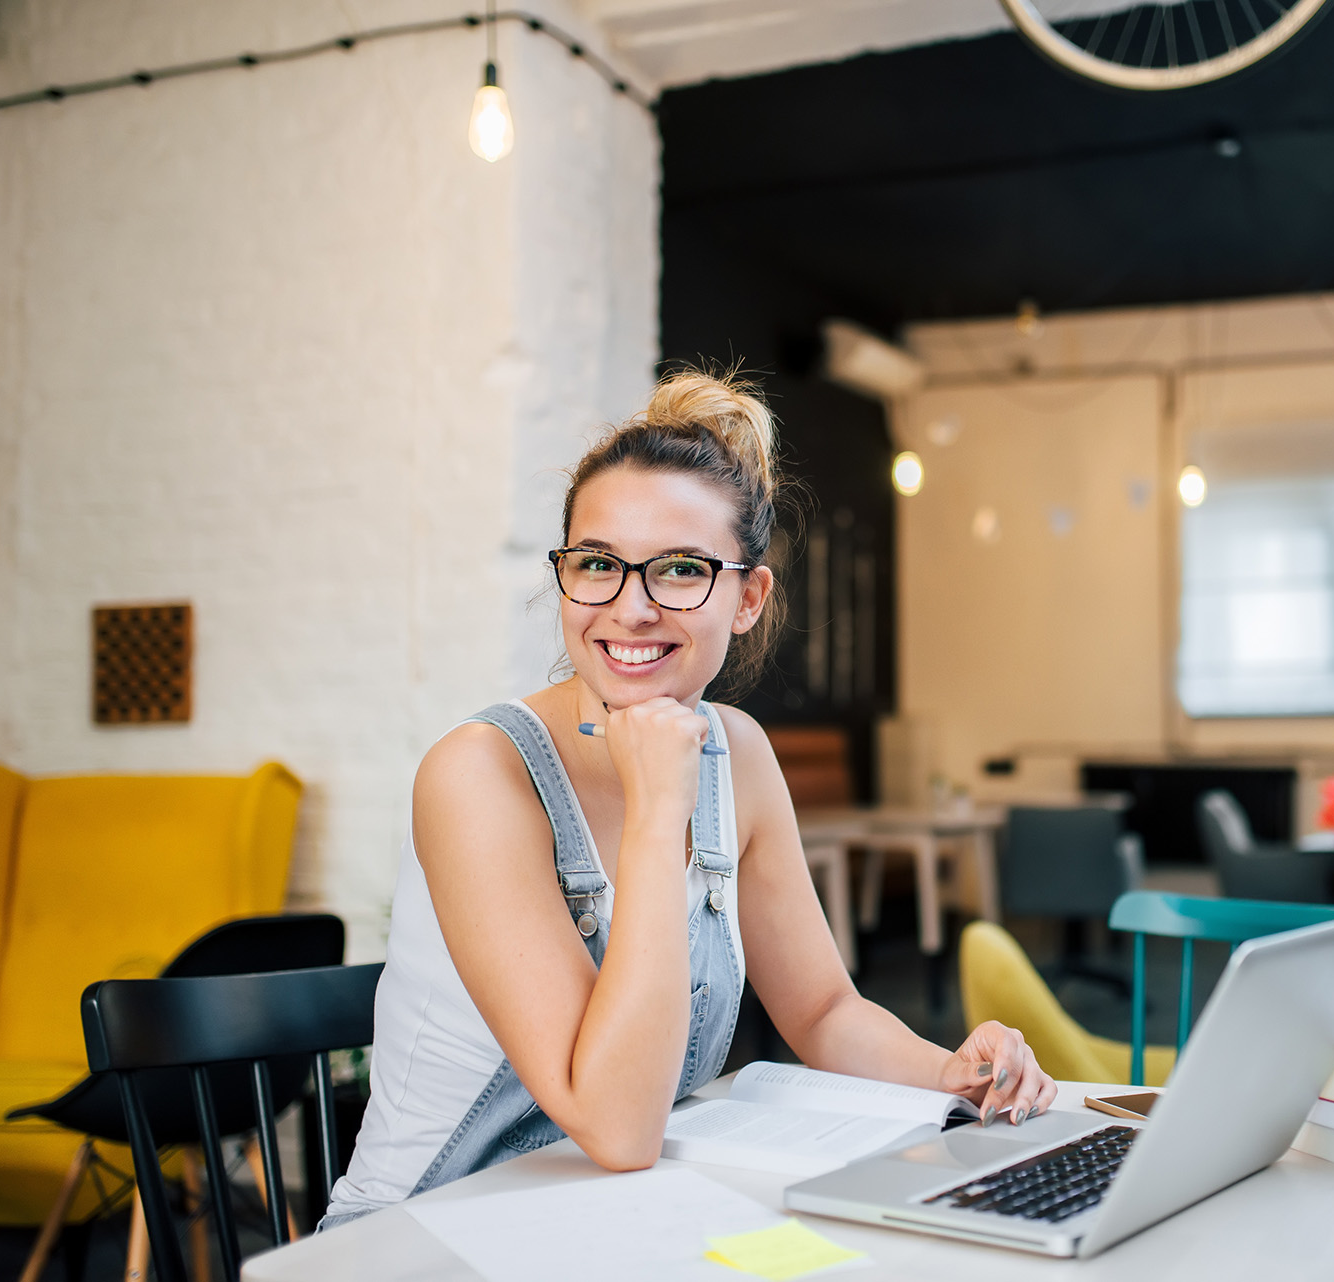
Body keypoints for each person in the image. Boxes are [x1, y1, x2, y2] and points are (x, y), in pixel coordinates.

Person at [320, 371, 1056, 1226]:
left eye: (679, 570)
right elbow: (618, 1125)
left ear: (749, 598)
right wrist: (658, 807)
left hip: (605, 1218)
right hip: (427, 1234)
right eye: (597, 564)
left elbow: (822, 1010)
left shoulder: (737, 753)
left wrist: (953, 1072)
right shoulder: (478, 773)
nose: (630, 608)